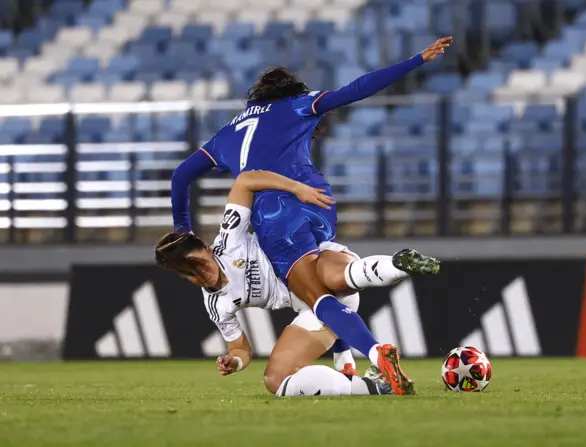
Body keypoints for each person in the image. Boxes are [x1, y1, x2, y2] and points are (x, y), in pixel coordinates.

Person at [170, 37, 452, 394]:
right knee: (330, 277)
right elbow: (356, 90)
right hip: (318, 199)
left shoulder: (227, 134)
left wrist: (184, 233)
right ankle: (391, 273)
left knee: (318, 298)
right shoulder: (298, 105)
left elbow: (181, 175)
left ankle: (377, 354)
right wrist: (416, 60)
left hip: (275, 215)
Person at [158, 170, 440, 396]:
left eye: (201, 264)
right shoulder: (216, 305)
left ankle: (397, 264)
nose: (203, 275)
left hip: (321, 260)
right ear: (185, 277)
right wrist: (234, 362)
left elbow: (245, 181)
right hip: (316, 309)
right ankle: (375, 386)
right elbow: (240, 348)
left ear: (207, 248)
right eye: (192, 273)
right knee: (276, 381)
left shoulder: (229, 239)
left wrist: (295, 187)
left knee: (328, 276)